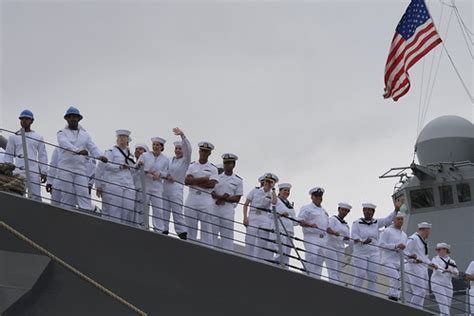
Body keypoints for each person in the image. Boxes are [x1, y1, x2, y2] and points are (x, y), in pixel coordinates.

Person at [56, 106, 107, 211]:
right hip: (66, 168)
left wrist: (100, 156)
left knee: (83, 192)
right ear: (66, 119)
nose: (73, 119)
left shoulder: (85, 135)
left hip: (80, 169)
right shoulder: (61, 133)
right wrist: (77, 150)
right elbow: (64, 144)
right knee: (67, 193)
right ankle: (66, 213)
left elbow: (92, 147)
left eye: (75, 117)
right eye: (70, 117)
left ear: (79, 119)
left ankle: (86, 213)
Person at [351, 201, 400, 293]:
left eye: (370, 210)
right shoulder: (356, 223)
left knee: (373, 275)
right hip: (361, 252)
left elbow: (388, 220)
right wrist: (362, 241)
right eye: (366, 210)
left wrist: (396, 210)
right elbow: (354, 236)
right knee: (360, 274)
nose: (368, 212)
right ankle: (355, 293)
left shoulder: (376, 222)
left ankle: (372, 295)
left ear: (373, 212)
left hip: (374, 252)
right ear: (363, 211)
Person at [4, 110, 48, 201]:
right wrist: (7, 170)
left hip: (33, 171)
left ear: (32, 121)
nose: (24, 121)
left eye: (26, 119)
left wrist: (44, 171)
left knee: (36, 196)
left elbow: (42, 156)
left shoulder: (38, 137)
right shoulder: (13, 137)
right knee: (18, 193)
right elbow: (9, 155)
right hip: (18, 170)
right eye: (22, 119)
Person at [96, 130, 136, 224]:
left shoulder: (130, 155)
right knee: (115, 209)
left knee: (128, 207)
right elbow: (104, 165)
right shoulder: (110, 152)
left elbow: (133, 171)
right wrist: (98, 185)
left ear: (128, 140)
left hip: (128, 184)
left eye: (124, 137)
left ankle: (124, 229)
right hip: (114, 183)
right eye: (119, 137)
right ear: (117, 140)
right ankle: (115, 229)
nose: (121, 139)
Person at [184, 141, 218, 244]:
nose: (203, 153)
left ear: (209, 153)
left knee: (206, 230)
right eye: (202, 151)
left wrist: (194, 181)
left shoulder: (213, 168)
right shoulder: (191, 166)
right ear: (199, 151)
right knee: (190, 228)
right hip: (192, 198)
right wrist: (203, 179)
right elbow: (187, 181)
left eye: (206, 151)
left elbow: (211, 184)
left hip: (205, 199)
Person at [162, 128, 191, 239]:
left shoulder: (185, 160)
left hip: (176, 187)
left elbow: (188, 150)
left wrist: (183, 136)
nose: (178, 150)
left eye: (180, 149)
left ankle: (182, 233)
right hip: (165, 187)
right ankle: (163, 230)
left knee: (177, 210)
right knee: (164, 210)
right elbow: (163, 170)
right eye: (176, 148)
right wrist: (166, 176)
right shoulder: (169, 160)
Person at [211, 153, 243, 250]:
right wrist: (222, 197)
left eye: (229, 163)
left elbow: (237, 198)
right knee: (212, 232)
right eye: (225, 163)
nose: (226, 165)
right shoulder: (217, 177)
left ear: (233, 165)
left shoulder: (238, 180)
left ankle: (228, 254)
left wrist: (223, 198)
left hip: (228, 209)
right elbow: (211, 192)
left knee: (227, 235)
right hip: (215, 207)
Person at [243, 173, 278, 261]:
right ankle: (248, 258)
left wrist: (273, 190)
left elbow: (274, 202)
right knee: (250, 238)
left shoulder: (271, 194)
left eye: (270, 182)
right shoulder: (255, 191)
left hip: (264, 217)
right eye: (267, 181)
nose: (268, 183)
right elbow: (246, 204)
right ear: (264, 182)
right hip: (253, 215)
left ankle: (258, 260)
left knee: (263, 240)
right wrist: (245, 217)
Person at [138, 137, 169, 231]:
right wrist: (145, 169)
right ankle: (141, 226)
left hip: (157, 188)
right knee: (143, 207)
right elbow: (137, 166)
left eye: (157, 145)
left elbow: (167, 173)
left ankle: (158, 229)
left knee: (158, 209)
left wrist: (160, 174)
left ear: (162, 147)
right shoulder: (145, 155)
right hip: (145, 186)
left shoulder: (165, 159)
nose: (155, 146)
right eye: (154, 144)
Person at [297, 187, 329, 279]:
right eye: (316, 196)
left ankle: (316, 279)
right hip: (311, 236)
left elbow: (327, 226)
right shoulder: (307, 208)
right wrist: (309, 225)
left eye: (320, 196)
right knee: (312, 257)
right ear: (312, 197)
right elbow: (300, 221)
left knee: (320, 260)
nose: (319, 198)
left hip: (323, 238)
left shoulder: (324, 211)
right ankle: (307, 277)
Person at [404, 222, 437, 309]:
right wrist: (413, 260)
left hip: (423, 268)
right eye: (428, 231)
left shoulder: (424, 242)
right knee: (419, 291)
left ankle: (419, 310)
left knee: (423, 293)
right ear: (424, 230)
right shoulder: (413, 238)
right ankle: (411, 311)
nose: (429, 234)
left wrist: (430, 263)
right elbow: (404, 252)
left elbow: (424, 257)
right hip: (414, 267)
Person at [378, 212, 408, 301]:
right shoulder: (387, 231)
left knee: (403, 279)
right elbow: (381, 244)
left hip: (400, 261)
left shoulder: (404, 235)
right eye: (398, 219)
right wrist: (395, 246)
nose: (400, 221)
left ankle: (396, 295)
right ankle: (393, 297)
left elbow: (404, 250)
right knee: (394, 277)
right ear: (393, 220)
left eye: (401, 219)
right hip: (388, 260)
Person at [326, 202, 352, 284]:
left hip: (340, 248)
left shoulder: (346, 225)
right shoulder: (332, 219)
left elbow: (346, 241)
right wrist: (334, 232)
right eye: (343, 210)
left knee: (339, 269)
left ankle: (338, 284)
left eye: (346, 211)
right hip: (330, 246)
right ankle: (334, 284)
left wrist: (349, 239)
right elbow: (327, 229)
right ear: (339, 210)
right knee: (332, 268)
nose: (344, 212)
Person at [273, 182, 297, 268]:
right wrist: (282, 214)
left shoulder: (289, 204)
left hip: (289, 231)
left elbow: (294, 221)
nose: (287, 192)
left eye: (288, 191)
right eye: (285, 190)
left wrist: (301, 221)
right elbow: (273, 211)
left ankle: (285, 268)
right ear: (280, 191)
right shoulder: (276, 200)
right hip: (280, 229)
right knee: (280, 251)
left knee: (287, 253)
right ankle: (277, 267)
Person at [431, 243, 459, 315]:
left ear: (446, 250)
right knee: (443, 303)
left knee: (447, 305)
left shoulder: (452, 261)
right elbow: (435, 267)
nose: (438, 251)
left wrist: (454, 273)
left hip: (448, 284)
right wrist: (444, 270)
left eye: (440, 249)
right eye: (437, 249)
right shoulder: (435, 259)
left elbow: (456, 272)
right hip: (437, 283)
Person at [132, 143, 149, 225]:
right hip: (131, 190)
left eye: (140, 149)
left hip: (142, 191)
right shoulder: (131, 163)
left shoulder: (148, 165)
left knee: (141, 213)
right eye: (136, 149)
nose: (138, 151)